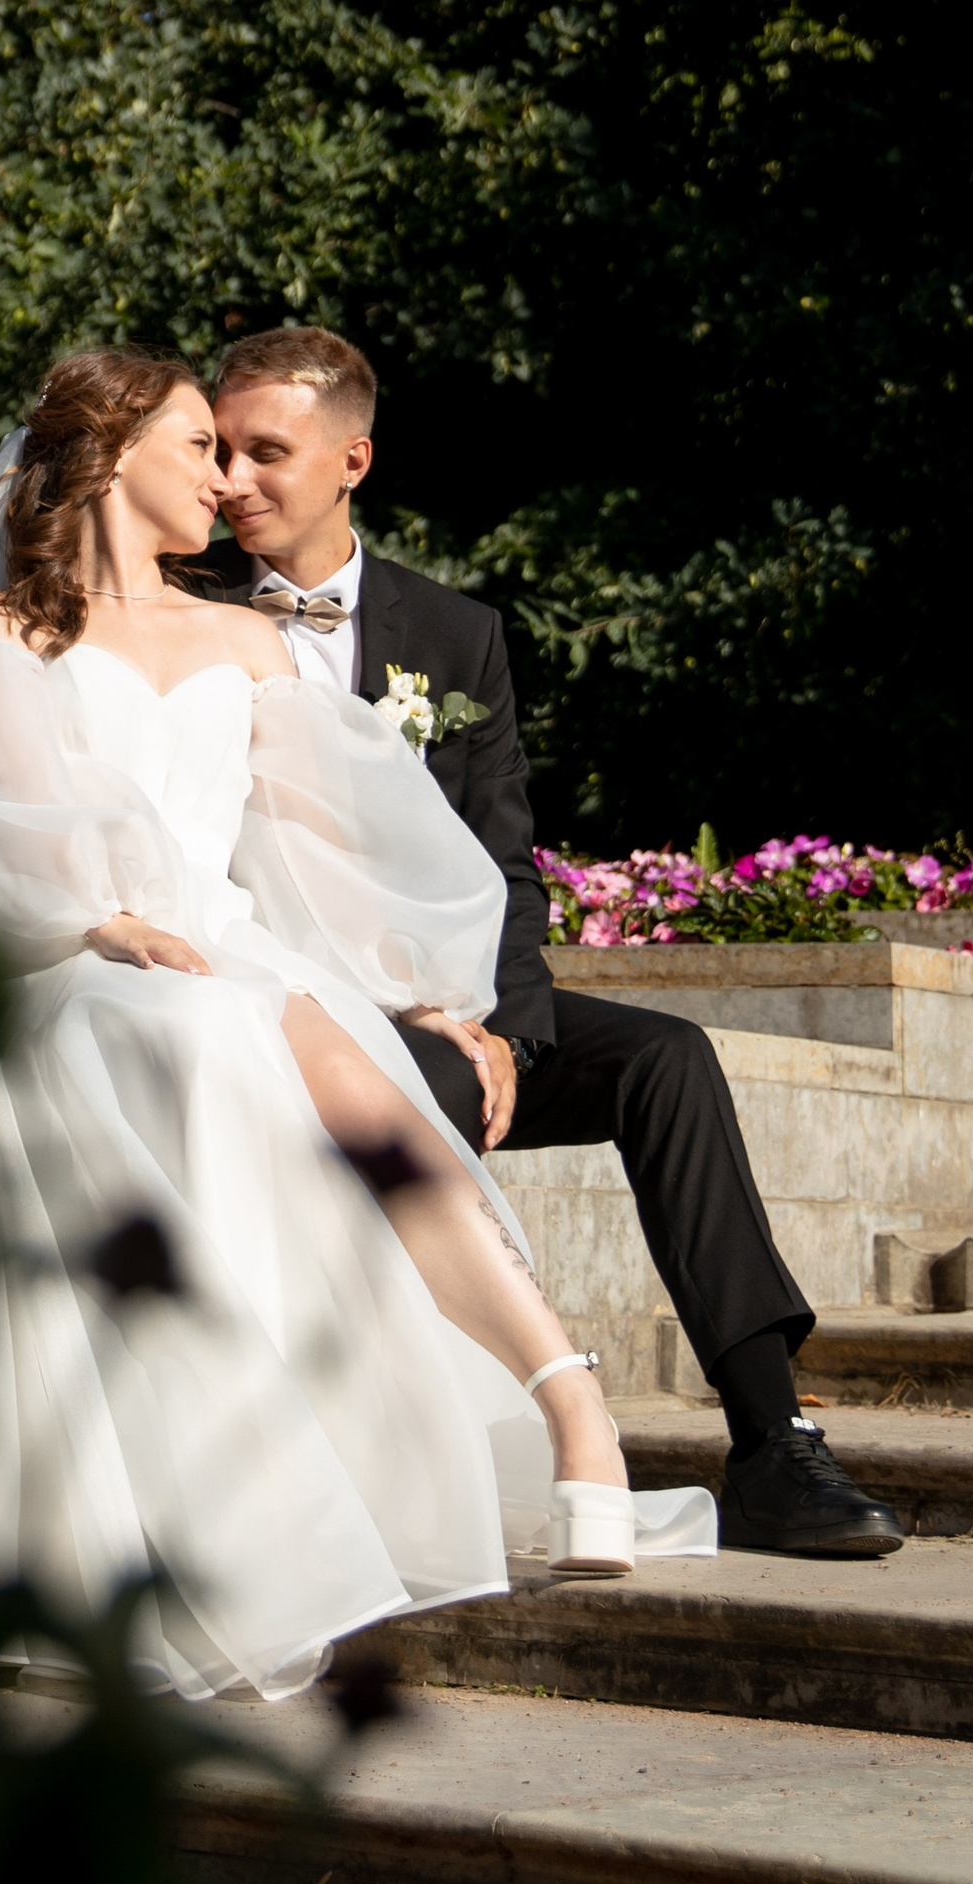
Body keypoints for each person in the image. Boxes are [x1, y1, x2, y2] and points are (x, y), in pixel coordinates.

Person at [0, 345, 714, 1708]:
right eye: (202, 444)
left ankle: (576, 1410)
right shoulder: (6, 630)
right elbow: (7, 822)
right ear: (114, 454)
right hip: (63, 959)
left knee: (342, 1059)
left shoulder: (245, 637)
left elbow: (336, 838)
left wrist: (417, 982)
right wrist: (92, 918)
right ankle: (252, 1504)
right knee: (204, 1032)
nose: (225, 477)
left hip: (221, 946)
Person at [197, 324, 903, 1560]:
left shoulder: (455, 632)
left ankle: (774, 1439)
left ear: (353, 457)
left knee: (665, 1058)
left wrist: (503, 1027)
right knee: (413, 1076)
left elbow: (500, 859)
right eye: (222, 448)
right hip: (293, 1017)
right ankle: (471, 1446)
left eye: (269, 451)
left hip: (448, 1011)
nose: (234, 479)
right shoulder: (178, 610)